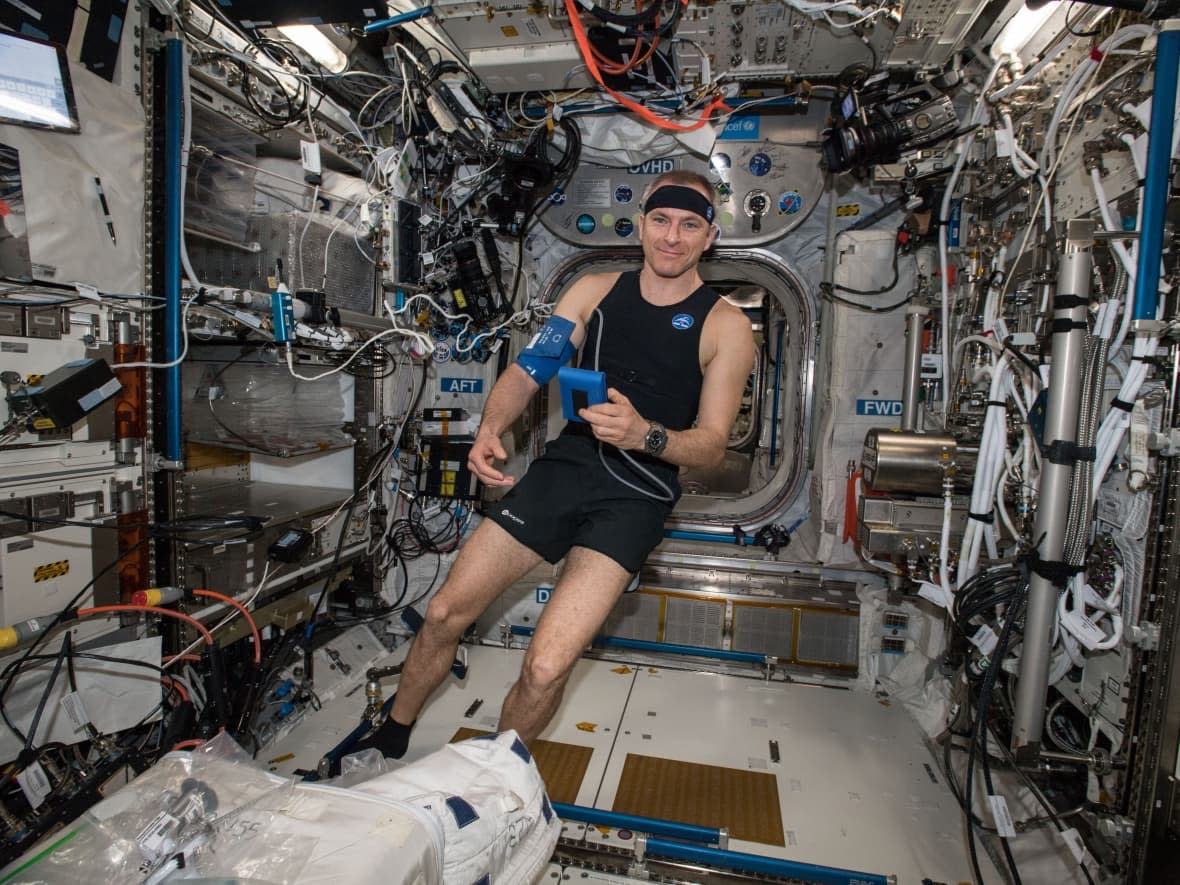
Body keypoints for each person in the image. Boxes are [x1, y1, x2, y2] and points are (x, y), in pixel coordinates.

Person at [356, 170, 755, 758]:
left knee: (544, 667)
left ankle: (497, 776)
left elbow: (713, 444)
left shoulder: (727, 325)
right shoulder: (591, 292)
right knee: (443, 612)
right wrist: (490, 427)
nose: (673, 237)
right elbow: (529, 371)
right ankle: (392, 731)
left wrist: (645, 434)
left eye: (690, 225)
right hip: (567, 469)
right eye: (662, 220)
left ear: (709, 235)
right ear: (642, 225)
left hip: (637, 495)